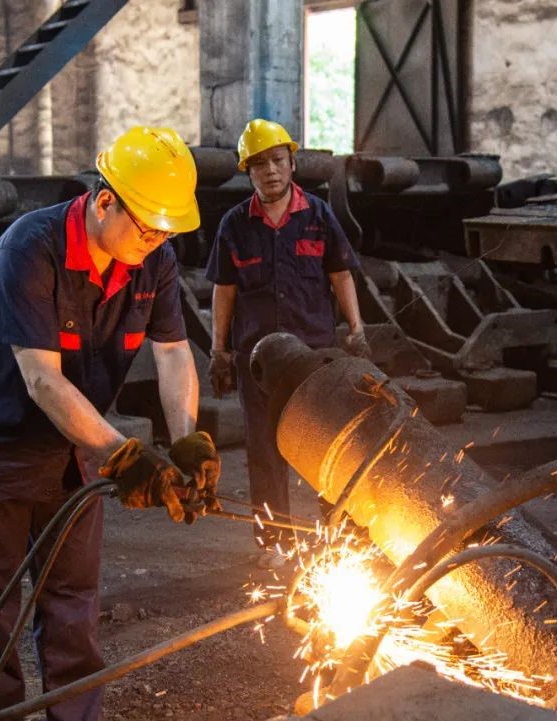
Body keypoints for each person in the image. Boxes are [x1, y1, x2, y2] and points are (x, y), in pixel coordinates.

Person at [0, 126, 221, 720]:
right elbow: (42, 380)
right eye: (149, 228)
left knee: (73, 604)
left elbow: (172, 352)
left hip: (73, 447)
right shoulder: (30, 249)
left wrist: (186, 437)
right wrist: (124, 454)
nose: (157, 242)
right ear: (105, 201)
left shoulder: (154, 259)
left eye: (167, 231)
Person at [205, 119, 370, 569]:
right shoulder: (235, 225)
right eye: (259, 164)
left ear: (292, 163)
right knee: (265, 451)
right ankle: (275, 545)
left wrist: (356, 329)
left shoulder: (318, 216)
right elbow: (224, 290)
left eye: (278, 160)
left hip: (314, 357)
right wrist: (219, 350)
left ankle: (340, 539)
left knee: (329, 444)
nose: (271, 170)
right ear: (248, 172)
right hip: (257, 361)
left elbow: (340, 274)